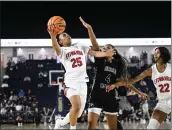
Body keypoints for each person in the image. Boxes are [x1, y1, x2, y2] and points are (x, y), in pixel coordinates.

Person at [79, 17, 147, 130]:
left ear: (113, 52)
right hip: (96, 95)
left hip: (110, 97)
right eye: (103, 48)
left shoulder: (117, 64)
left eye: (107, 48)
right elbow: (94, 44)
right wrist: (89, 29)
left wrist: (139, 92)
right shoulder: (100, 59)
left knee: (113, 128)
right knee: (91, 126)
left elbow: (125, 82)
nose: (104, 49)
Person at [48, 24, 115, 129]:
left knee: (77, 113)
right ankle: (73, 128)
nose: (67, 36)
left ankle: (60, 123)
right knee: (76, 106)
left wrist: (107, 54)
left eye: (67, 35)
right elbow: (55, 47)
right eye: (64, 36)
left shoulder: (80, 45)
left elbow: (95, 53)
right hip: (70, 82)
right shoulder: (62, 51)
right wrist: (53, 36)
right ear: (60, 42)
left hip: (83, 82)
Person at [107, 47, 171, 129]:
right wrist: (115, 85)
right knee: (151, 128)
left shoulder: (170, 68)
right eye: (154, 52)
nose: (155, 54)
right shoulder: (150, 70)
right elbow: (131, 81)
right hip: (162, 102)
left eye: (157, 52)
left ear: (163, 54)